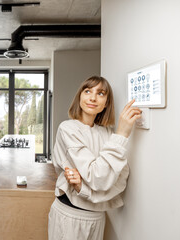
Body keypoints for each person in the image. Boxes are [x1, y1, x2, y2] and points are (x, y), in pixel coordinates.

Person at [48, 76, 141, 240]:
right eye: (88, 91)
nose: (92, 97)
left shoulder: (107, 133)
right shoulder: (68, 129)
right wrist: (122, 134)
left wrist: (83, 189)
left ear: (106, 102)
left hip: (98, 218)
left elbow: (120, 181)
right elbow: (99, 177)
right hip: (70, 216)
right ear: (80, 97)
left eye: (101, 93)